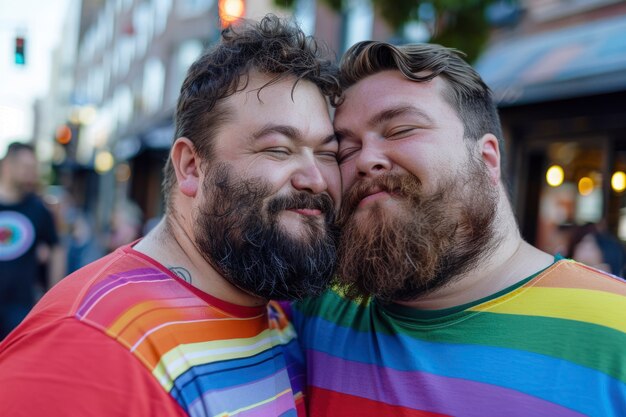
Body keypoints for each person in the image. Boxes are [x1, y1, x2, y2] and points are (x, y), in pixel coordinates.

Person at [0, 15, 341, 417]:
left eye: (328, 153)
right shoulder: (86, 349)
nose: (315, 178)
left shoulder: (276, 315)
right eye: (278, 149)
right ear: (192, 167)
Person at [293, 41, 626, 417]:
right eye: (345, 150)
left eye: (401, 129)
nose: (366, 160)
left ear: (487, 159)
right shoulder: (316, 306)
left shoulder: (617, 329)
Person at [0, 142, 65, 339]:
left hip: (20, 307)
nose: (31, 173)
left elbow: (57, 249)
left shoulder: (38, 209)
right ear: (8, 166)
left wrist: (54, 296)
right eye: (26, 167)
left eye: (33, 168)